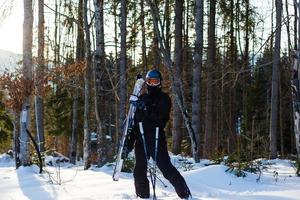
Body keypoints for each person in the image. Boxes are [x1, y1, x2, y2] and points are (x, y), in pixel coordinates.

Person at [124, 69, 191, 199]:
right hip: (141, 138)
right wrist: (129, 144)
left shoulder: (164, 99)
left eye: (155, 82)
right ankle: (142, 196)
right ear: (147, 82)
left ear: (160, 83)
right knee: (139, 171)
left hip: (156, 139)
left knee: (166, 169)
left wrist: (145, 107)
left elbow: (160, 118)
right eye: (150, 81)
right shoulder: (142, 98)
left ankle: (185, 194)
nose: (152, 84)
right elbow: (135, 123)